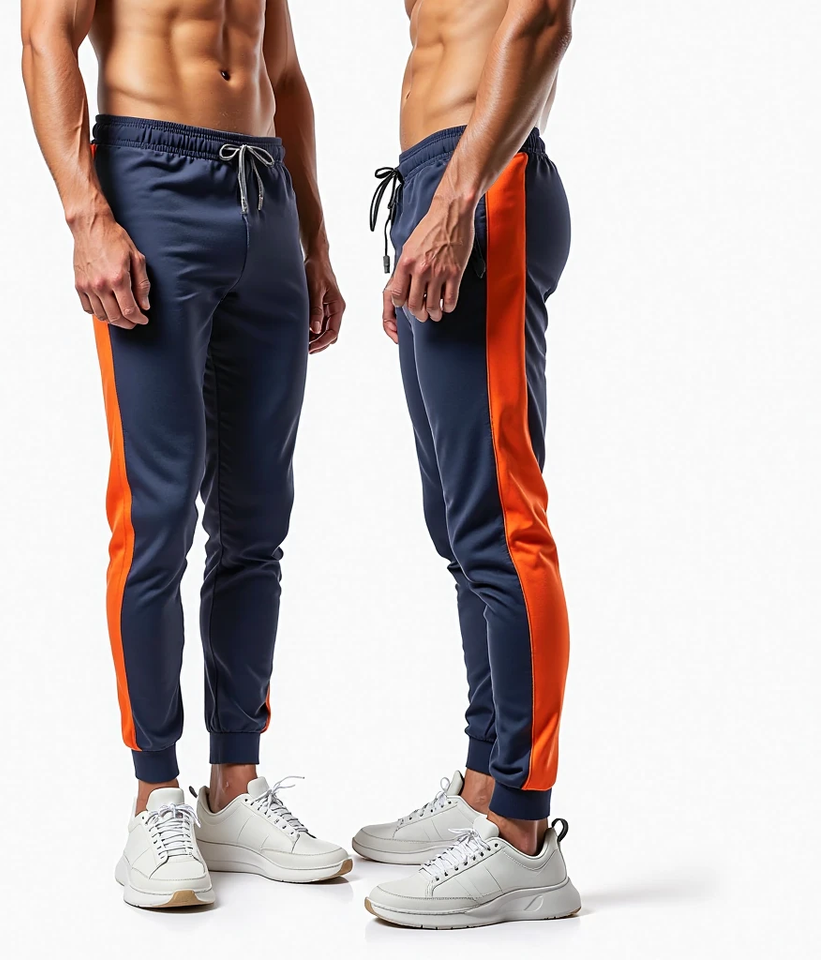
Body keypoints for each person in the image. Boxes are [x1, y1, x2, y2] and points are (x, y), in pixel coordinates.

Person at [21, 0, 350, 909]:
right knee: (157, 511)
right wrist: (86, 214)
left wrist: (313, 235)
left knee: (257, 517)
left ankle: (235, 786)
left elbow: (284, 76)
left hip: (264, 193)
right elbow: (46, 34)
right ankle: (155, 795)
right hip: (151, 181)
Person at [357, 0, 581, 928]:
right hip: (436, 183)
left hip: (482, 180)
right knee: (458, 527)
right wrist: (420, 210)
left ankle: (523, 835)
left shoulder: (470, 187)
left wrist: (454, 200)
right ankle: (487, 781)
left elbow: (543, 22)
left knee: (500, 523)